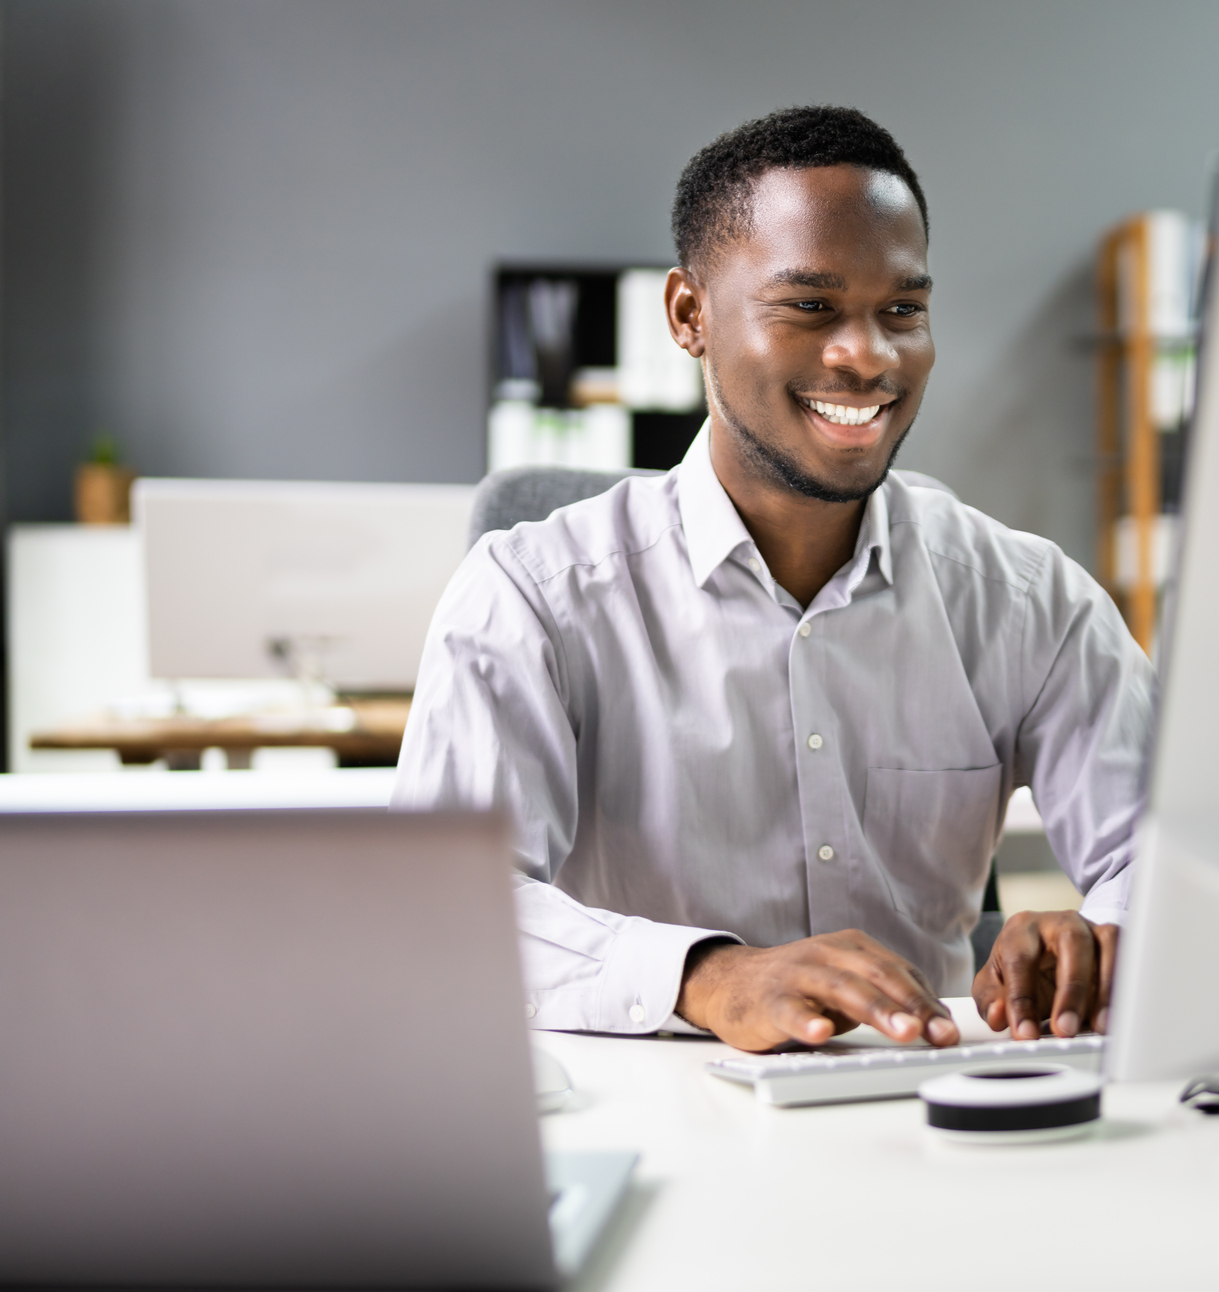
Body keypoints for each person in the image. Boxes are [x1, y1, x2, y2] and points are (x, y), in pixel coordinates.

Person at [394, 107, 1154, 1054]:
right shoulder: (532, 595)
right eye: (810, 306)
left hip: (927, 1108)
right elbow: (447, 914)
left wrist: (1103, 939)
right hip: (655, 1122)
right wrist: (708, 976)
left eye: (903, 311)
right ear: (689, 316)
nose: (868, 354)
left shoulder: (1025, 596)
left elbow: (1166, 849)